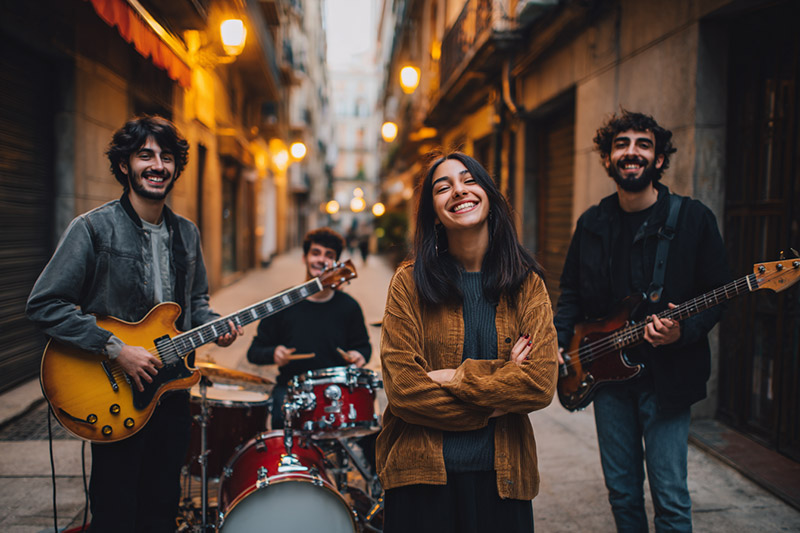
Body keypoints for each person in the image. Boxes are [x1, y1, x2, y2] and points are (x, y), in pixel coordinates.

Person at [26, 115, 243, 532]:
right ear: (125, 165)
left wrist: (218, 325)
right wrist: (116, 349)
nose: (157, 165)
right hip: (115, 391)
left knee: (161, 508)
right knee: (114, 511)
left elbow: (195, 304)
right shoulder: (92, 228)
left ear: (177, 168)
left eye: (166, 157)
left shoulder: (188, 234)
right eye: (145, 155)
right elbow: (45, 303)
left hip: (172, 394)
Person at [553, 110, 731, 532]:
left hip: (669, 378)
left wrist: (681, 331)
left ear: (658, 160)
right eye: (622, 144)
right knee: (623, 493)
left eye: (643, 144)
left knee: (669, 497)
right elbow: (571, 293)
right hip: (606, 379)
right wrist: (562, 343)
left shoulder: (693, 219)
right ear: (608, 158)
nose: (631, 152)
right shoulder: (591, 222)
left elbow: (718, 294)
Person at [377, 152, 559, 533]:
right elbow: (404, 391)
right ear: (434, 213)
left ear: (489, 196)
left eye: (468, 180)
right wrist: (496, 395)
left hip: (502, 478)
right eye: (442, 188)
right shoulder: (408, 283)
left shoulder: (527, 284)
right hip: (419, 479)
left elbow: (540, 384)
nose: (458, 191)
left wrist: (454, 376)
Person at [246, 227, 372, 430]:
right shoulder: (282, 303)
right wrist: (273, 353)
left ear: (336, 263)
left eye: (329, 255)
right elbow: (254, 352)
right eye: (316, 253)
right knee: (279, 415)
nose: (321, 260)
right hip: (291, 387)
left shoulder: (349, 306)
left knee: (367, 428)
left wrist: (359, 355)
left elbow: (364, 346)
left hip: (335, 389)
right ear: (304, 258)